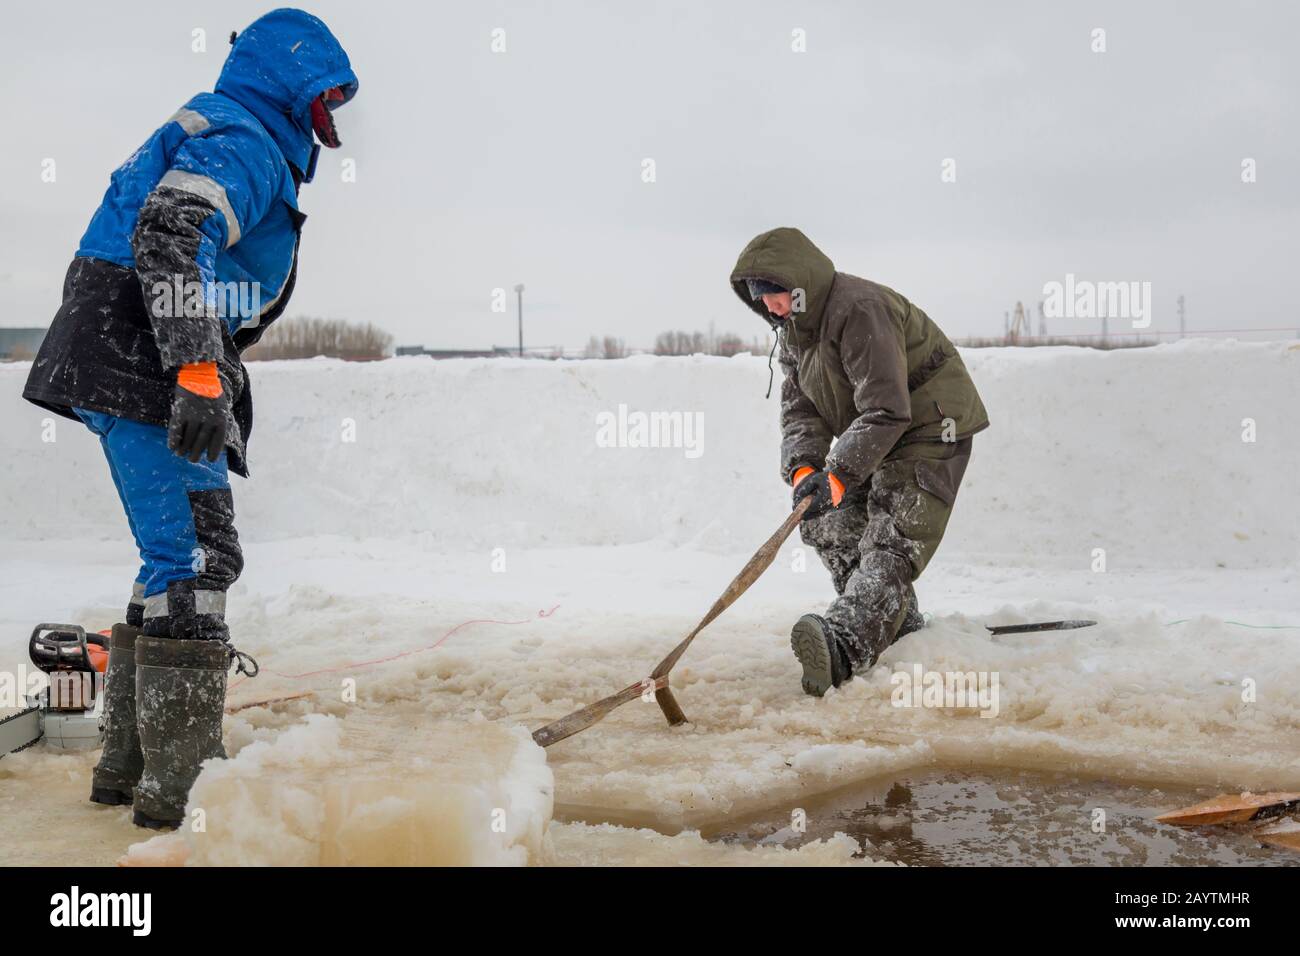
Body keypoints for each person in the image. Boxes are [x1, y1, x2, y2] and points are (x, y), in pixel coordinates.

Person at [22, 9, 358, 828]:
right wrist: (198, 371)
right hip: (147, 351)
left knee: (171, 557)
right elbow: (174, 233)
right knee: (200, 562)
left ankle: (132, 771)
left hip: (115, 341)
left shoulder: (222, 122)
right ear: (294, 81)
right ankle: (183, 794)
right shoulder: (245, 139)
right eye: (327, 95)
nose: (333, 116)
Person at [729, 228, 989, 696]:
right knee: (824, 520)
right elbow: (800, 409)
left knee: (893, 535)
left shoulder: (859, 309)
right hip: (875, 433)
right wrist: (808, 470)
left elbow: (889, 408)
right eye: (757, 297)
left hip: (929, 426)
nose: (769, 306)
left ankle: (846, 643)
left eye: (774, 294)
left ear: (801, 281)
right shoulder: (794, 334)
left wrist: (842, 472)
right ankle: (895, 623)